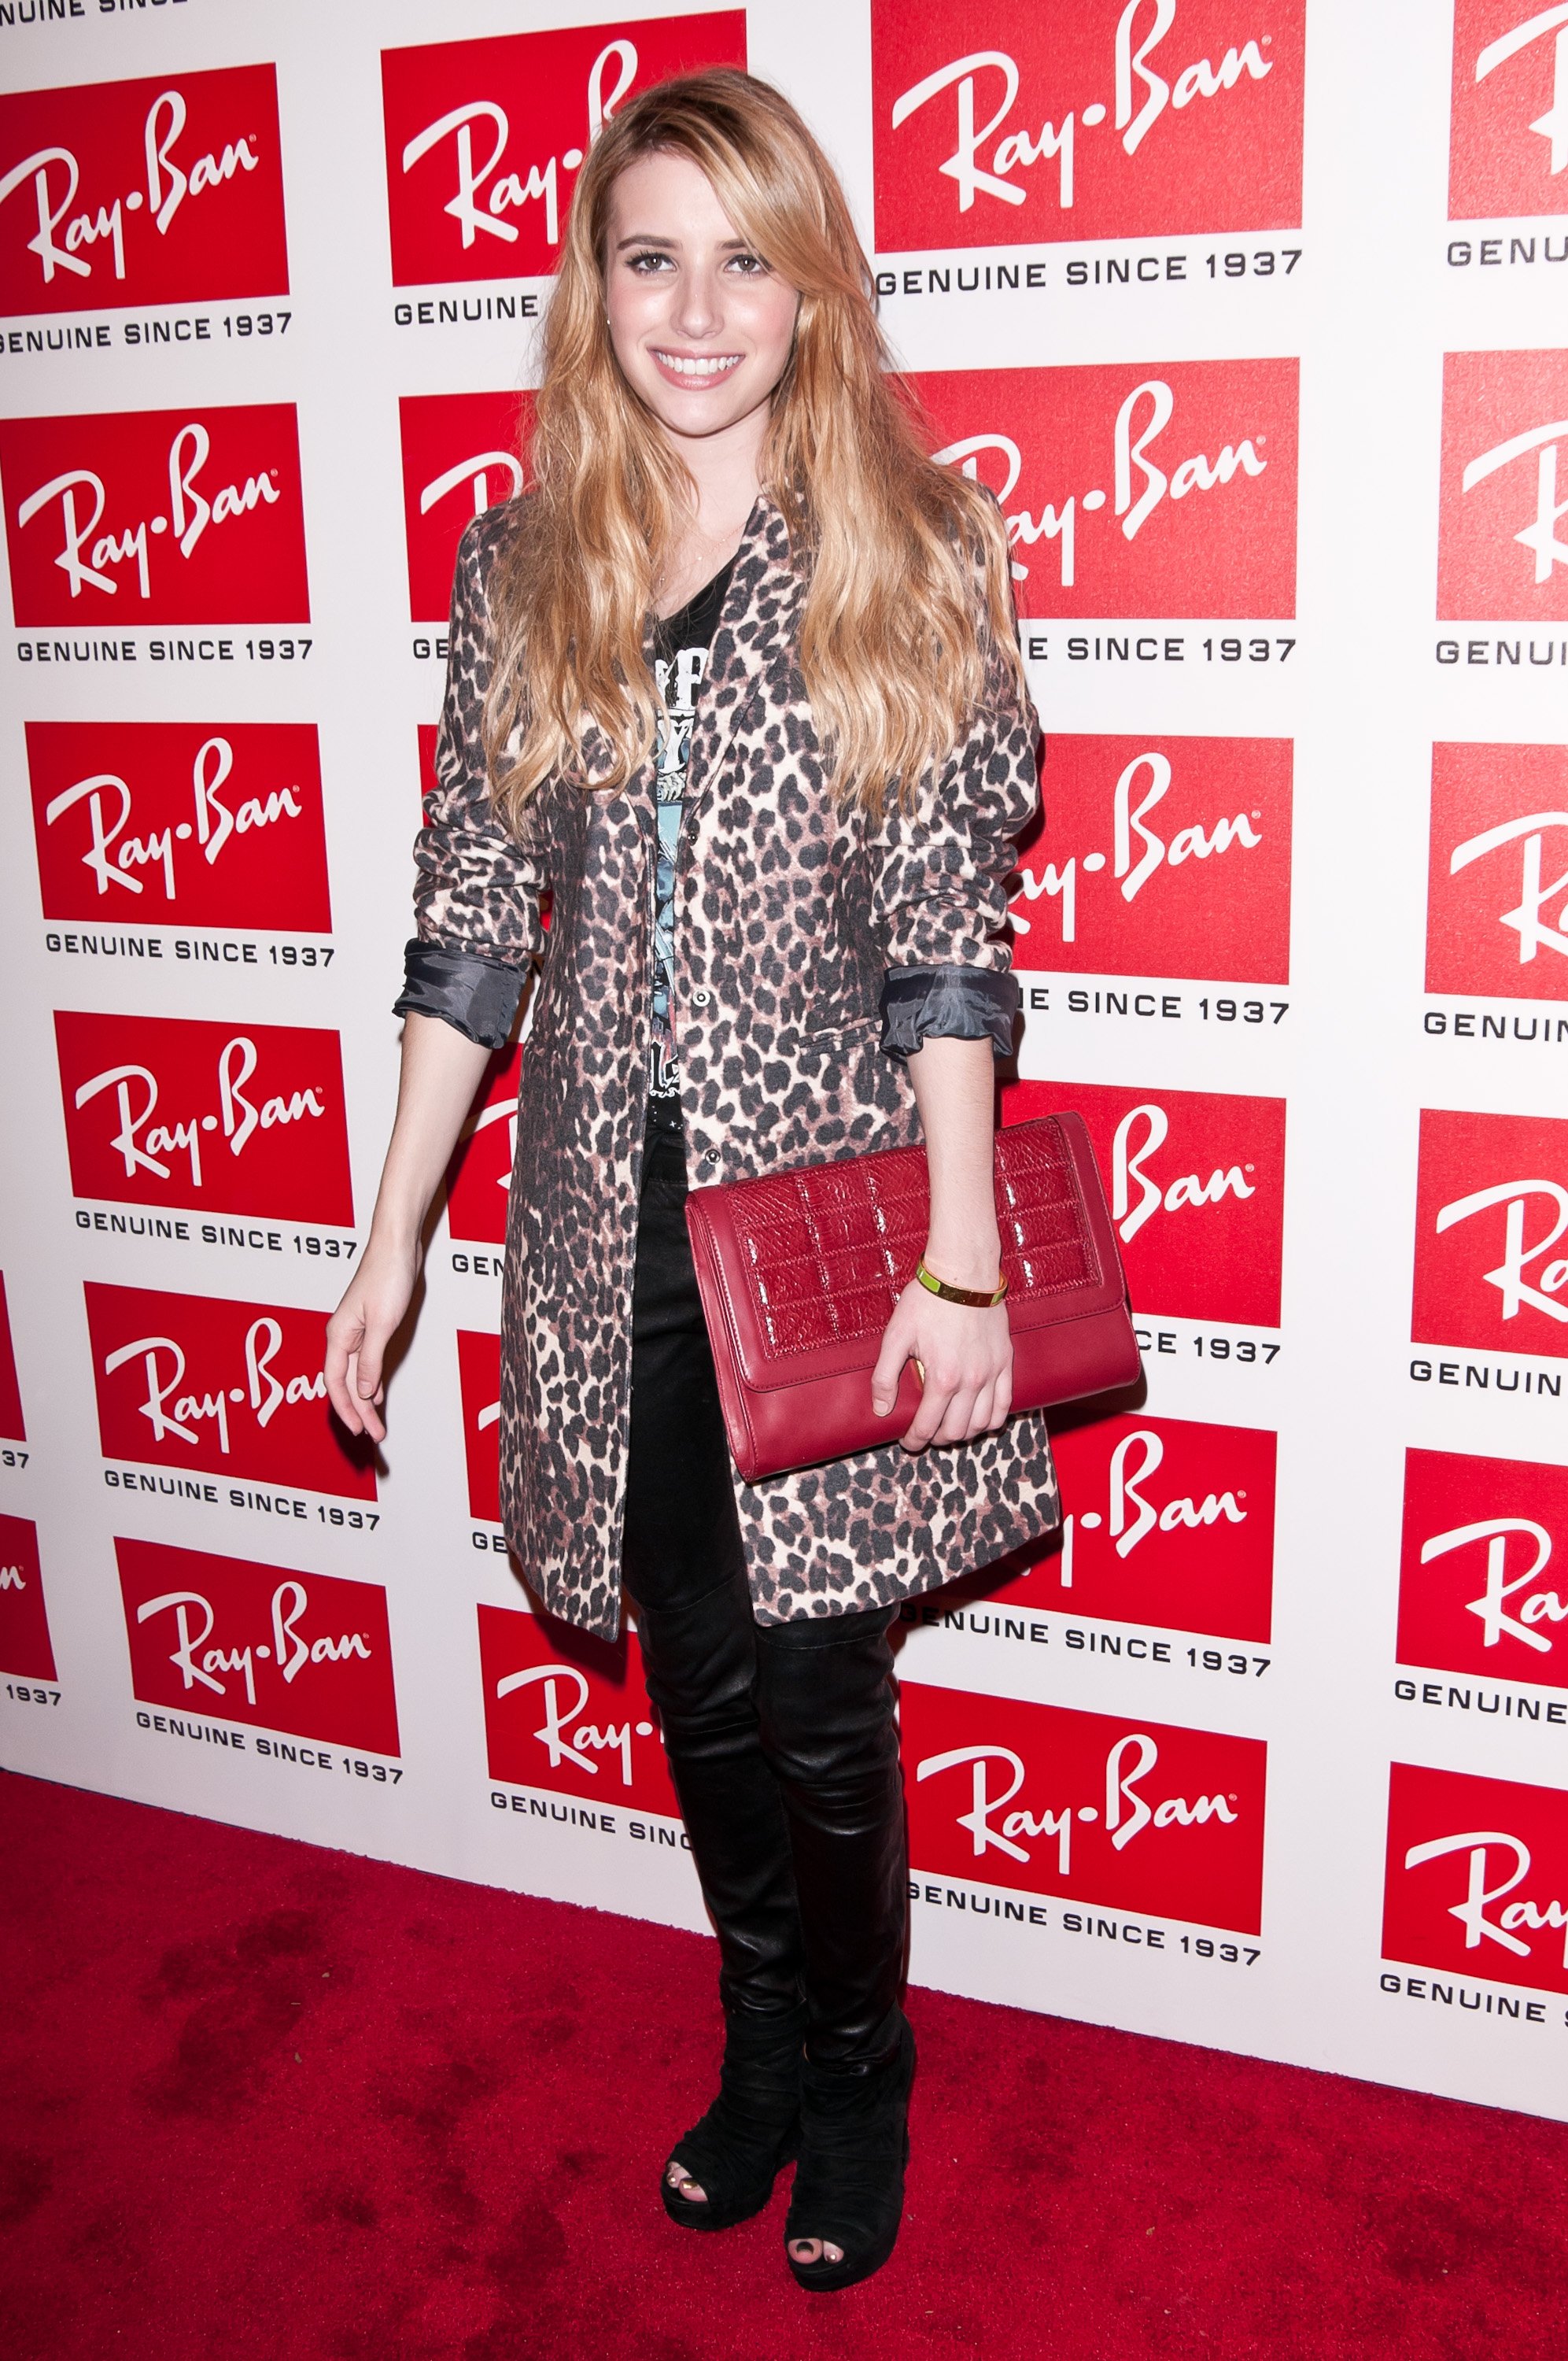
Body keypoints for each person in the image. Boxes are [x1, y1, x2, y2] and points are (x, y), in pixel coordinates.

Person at [324, 67, 1056, 2293]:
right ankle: (756, 2039)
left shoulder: (907, 546)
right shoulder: (521, 561)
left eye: (747, 259)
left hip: (823, 1215)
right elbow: (473, 921)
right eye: (653, 257)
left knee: (820, 1691)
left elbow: (947, 939)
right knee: (705, 1683)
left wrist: (959, 1256)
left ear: (811, 287)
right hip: (594, 1230)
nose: (700, 309)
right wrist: (388, 1241)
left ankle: (859, 2066)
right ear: (597, 285)